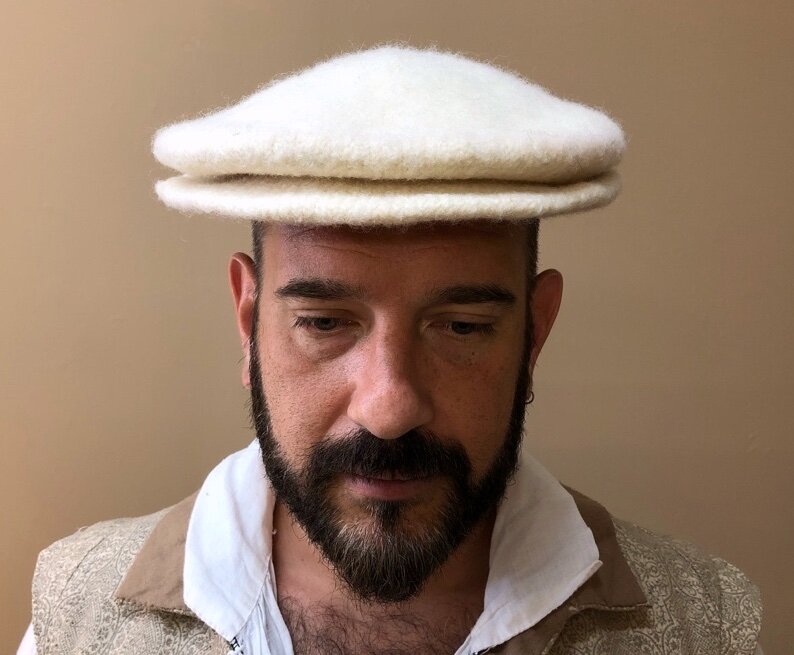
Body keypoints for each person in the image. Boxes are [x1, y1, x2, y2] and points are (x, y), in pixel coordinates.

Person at [18, 46, 762, 655]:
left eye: (461, 327)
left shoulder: (705, 626)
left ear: (535, 331)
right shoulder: (78, 608)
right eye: (324, 322)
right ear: (248, 320)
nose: (389, 409)